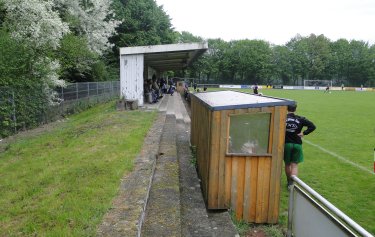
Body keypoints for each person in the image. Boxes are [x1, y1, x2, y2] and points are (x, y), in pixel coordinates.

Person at [284, 104, 316, 189]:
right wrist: (304, 133)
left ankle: (289, 182)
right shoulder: (300, 119)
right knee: (294, 165)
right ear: (296, 109)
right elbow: (313, 126)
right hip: (297, 144)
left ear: (287, 109)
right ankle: (292, 185)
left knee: (287, 164)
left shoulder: (283, 118)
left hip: (286, 144)